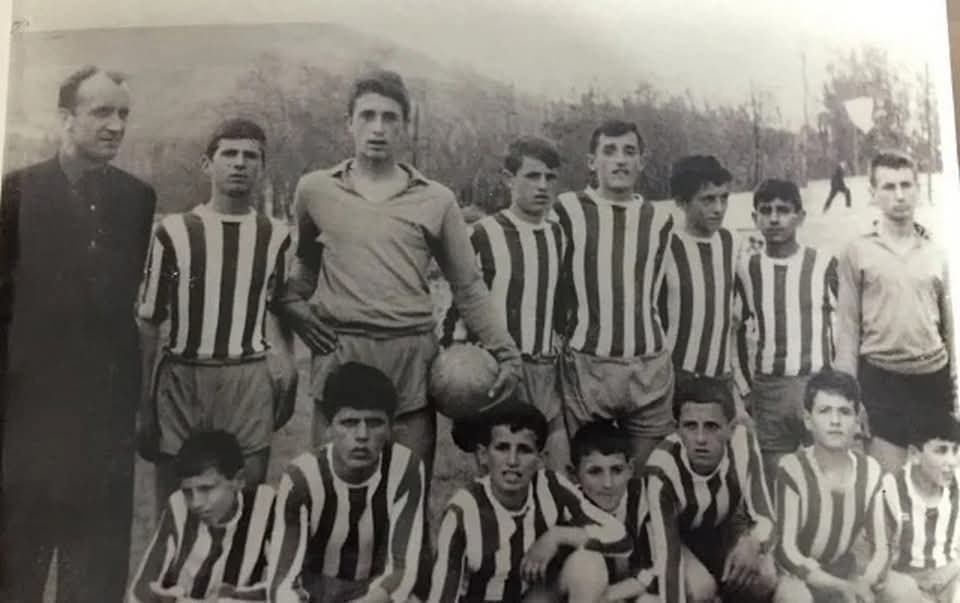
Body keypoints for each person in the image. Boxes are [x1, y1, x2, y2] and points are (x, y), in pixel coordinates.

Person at [277, 70, 520, 478]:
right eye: (367, 116)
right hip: (341, 352)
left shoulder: (437, 199)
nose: (378, 128)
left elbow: (468, 287)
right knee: (333, 492)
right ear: (349, 123)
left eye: (390, 117)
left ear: (405, 126)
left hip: (410, 357)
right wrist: (291, 305)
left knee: (407, 488)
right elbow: (304, 266)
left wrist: (506, 353)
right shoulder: (315, 190)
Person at [0, 65, 157, 602]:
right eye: (101, 112)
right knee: (18, 570)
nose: (116, 125)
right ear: (66, 117)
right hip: (30, 421)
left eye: (124, 114)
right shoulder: (17, 192)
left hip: (104, 422)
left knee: (95, 575)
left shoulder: (137, 198)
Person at [137, 118, 297, 499]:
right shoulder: (173, 231)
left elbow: (280, 307)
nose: (239, 163)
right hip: (183, 375)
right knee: (177, 506)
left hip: (247, 377)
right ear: (207, 164)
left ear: (262, 167)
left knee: (245, 499)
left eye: (250, 156)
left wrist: (288, 366)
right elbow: (149, 321)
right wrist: (144, 401)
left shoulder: (275, 235)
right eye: (229, 154)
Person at [441, 136, 569, 472]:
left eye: (550, 177)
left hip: (544, 369)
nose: (543, 186)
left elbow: (559, 305)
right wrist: (460, 363)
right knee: (503, 474)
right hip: (498, 371)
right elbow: (458, 308)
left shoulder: (558, 235)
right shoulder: (481, 234)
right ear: (509, 179)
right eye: (533, 176)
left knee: (558, 471)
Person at [554, 119, 676, 469]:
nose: (620, 160)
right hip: (589, 365)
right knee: (592, 475)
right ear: (592, 162)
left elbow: (662, 289)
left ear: (642, 161)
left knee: (649, 475)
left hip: (650, 366)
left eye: (629, 151)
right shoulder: (568, 209)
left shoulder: (660, 218)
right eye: (609, 151)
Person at [430, 400, 632, 603]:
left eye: (524, 450)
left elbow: (621, 540)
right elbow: (442, 597)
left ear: (539, 459)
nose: (512, 461)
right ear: (483, 455)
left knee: (589, 564)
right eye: (502, 448)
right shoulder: (463, 511)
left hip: (532, 598)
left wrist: (556, 536)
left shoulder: (551, 486)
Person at [835, 150, 955, 473]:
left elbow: (951, 330)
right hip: (882, 382)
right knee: (887, 482)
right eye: (888, 187)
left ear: (917, 188)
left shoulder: (937, 252)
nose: (899, 196)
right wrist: (848, 397)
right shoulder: (857, 252)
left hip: (932, 380)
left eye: (906, 185)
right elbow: (847, 330)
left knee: (935, 482)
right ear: (872, 193)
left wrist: (955, 389)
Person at [269, 362, 426, 603]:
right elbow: (283, 582)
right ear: (328, 427)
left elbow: (401, 569)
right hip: (313, 593)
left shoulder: (406, 468)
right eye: (349, 422)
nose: (362, 435)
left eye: (374, 422)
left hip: (373, 595)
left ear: (391, 427)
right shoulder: (301, 477)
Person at [733, 178, 839, 484]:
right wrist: (746, 389)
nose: (774, 218)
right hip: (769, 389)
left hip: (817, 384)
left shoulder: (823, 264)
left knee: (824, 478)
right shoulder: (747, 269)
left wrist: (839, 381)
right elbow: (735, 331)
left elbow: (847, 325)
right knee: (778, 482)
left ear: (800, 216)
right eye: (766, 210)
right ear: (754, 218)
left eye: (783, 210)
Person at [644, 375, 777, 603]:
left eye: (712, 426)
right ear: (677, 429)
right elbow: (667, 559)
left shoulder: (743, 442)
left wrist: (753, 542)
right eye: (690, 426)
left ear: (730, 428)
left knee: (764, 576)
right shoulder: (662, 468)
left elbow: (766, 516)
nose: (700, 439)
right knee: (700, 589)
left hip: (721, 530)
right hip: (676, 540)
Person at [773, 369, 894, 603]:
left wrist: (865, 582)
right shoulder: (792, 468)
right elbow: (787, 549)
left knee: (902, 590)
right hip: (798, 576)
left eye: (844, 412)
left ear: (857, 421)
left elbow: (882, 546)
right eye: (824, 411)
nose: (835, 421)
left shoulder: (871, 471)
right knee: (794, 597)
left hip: (843, 570)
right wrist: (837, 586)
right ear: (808, 420)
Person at [128, 431, 276, 603]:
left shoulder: (264, 507)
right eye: (187, 491)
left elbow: (287, 585)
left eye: (206, 489)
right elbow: (140, 591)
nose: (196, 502)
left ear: (238, 480)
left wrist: (234, 597)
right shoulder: (179, 505)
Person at [659, 154, 748, 421]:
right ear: (682, 202)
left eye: (724, 198)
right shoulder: (665, 246)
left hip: (720, 378)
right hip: (676, 378)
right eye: (708, 200)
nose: (719, 208)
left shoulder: (732, 242)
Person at [872, 412, 960, 603]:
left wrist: (952, 569)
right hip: (908, 581)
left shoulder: (957, 487)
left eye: (955, 450)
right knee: (897, 590)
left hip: (950, 575)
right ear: (914, 454)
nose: (952, 461)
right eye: (941, 450)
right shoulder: (890, 490)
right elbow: (879, 556)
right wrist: (913, 581)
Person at [571, 420, 657, 603]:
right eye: (595, 472)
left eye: (617, 470)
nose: (608, 484)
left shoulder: (645, 498)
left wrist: (608, 596)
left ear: (631, 469)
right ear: (575, 474)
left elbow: (658, 568)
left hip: (627, 593)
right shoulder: (569, 507)